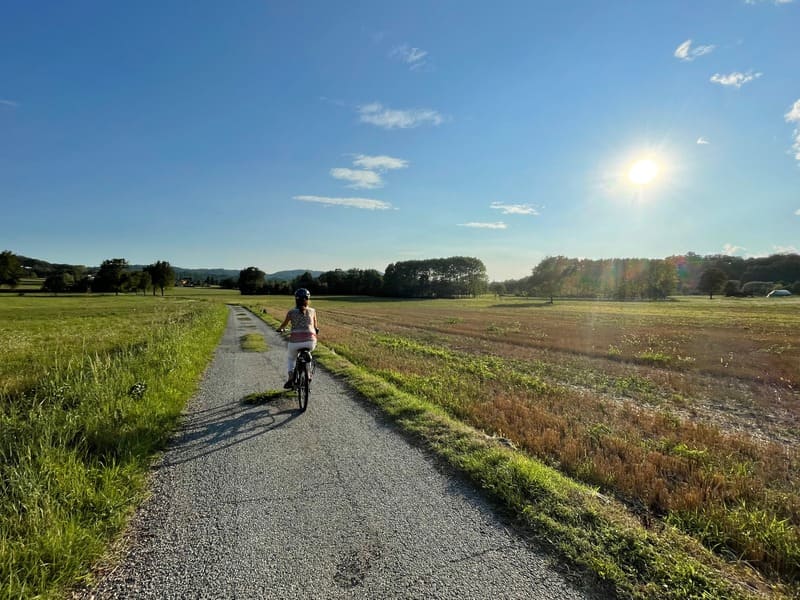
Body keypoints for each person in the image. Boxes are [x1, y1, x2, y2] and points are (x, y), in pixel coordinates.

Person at [278, 288, 319, 389]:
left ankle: (291, 377)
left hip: (295, 342)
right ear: (308, 299)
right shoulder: (313, 311)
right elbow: (315, 327)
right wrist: (315, 331)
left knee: (291, 358)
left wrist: (280, 329)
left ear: (296, 300)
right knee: (308, 357)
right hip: (310, 342)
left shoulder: (291, 312)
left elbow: (283, 325)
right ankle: (308, 375)